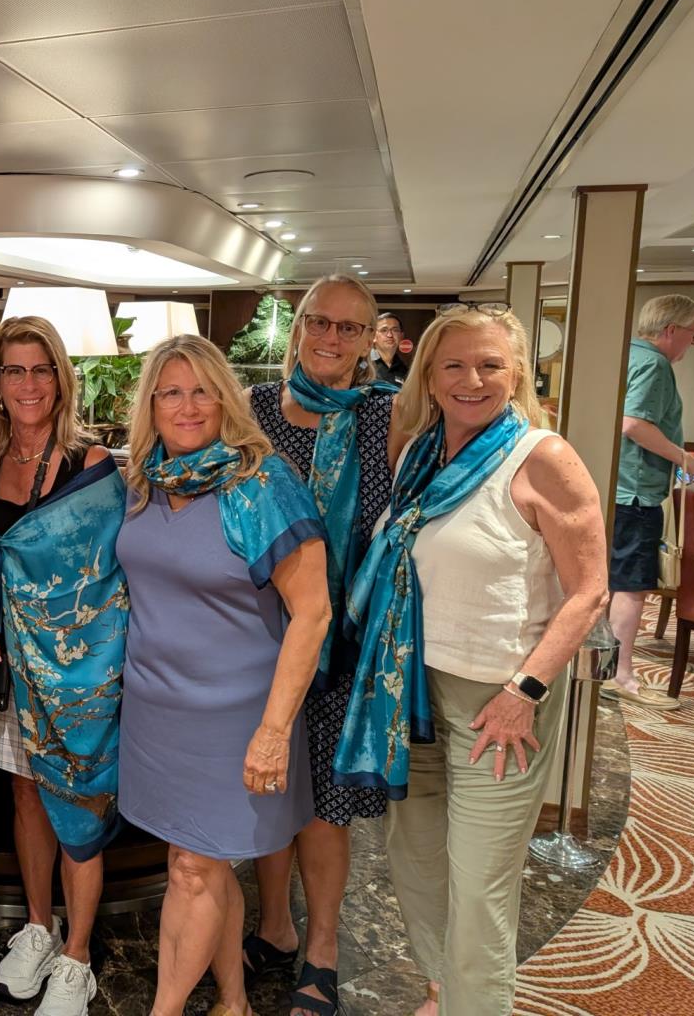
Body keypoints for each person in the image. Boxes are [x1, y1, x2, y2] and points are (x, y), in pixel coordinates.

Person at [335, 306, 607, 1016]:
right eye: (453, 364)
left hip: (500, 703)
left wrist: (525, 691)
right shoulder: (418, 454)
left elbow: (590, 592)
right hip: (411, 690)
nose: (472, 379)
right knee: (416, 862)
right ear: (428, 374)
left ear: (516, 373)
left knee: (481, 886)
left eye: (490, 364)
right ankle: (444, 990)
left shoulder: (542, 456)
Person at [117, 335, 330, 1016]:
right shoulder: (146, 480)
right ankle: (234, 1001)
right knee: (200, 860)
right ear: (151, 404)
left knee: (192, 869)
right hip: (156, 712)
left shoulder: (260, 483)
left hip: (235, 718)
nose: (187, 406)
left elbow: (313, 614)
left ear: (226, 399)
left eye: (202, 391)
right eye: (171, 392)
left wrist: (274, 731)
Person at [245, 275, 406, 1016]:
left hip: (345, 642)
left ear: (370, 339)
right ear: (298, 326)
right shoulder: (252, 411)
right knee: (269, 792)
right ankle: (274, 927)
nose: (331, 338)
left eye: (349, 327)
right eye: (319, 322)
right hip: (260, 637)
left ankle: (323, 948)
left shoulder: (387, 414)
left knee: (325, 809)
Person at [0, 316, 127, 1016]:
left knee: (78, 801)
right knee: (26, 796)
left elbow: (109, 577)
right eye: (14, 370)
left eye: (41, 369)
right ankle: (39, 928)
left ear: (61, 380)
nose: (28, 383)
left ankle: (78, 956)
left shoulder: (90, 465)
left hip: (77, 674)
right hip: (11, 669)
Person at [604, 292, 694, 709]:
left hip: (615, 485)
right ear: (671, 330)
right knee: (631, 586)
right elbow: (634, 425)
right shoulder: (654, 364)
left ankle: (604, 666)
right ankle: (620, 674)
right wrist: (684, 458)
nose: (692, 343)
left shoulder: (625, 354)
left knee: (612, 582)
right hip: (634, 491)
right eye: (693, 335)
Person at [370, 311, 410, 385]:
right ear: (373, 336)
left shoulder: (405, 369)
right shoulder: (363, 363)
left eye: (395, 330)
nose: (390, 335)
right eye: (384, 330)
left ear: (401, 336)